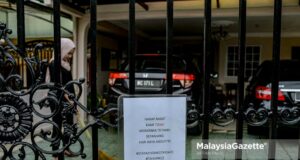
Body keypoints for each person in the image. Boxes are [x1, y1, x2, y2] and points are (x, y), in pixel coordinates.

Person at [46, 38, 76, 159]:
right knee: (57, 124)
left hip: (68, 98)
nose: (70, 56)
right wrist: (69, 99)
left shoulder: (66, 64)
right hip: (57, 97)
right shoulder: (54, 63)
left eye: (71, 53)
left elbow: (68, 82)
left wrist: (73, 100)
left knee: (69, 123)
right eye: (68, 52)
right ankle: (55, 153)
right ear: (62, 49)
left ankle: (66, 148)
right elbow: (58, 85)